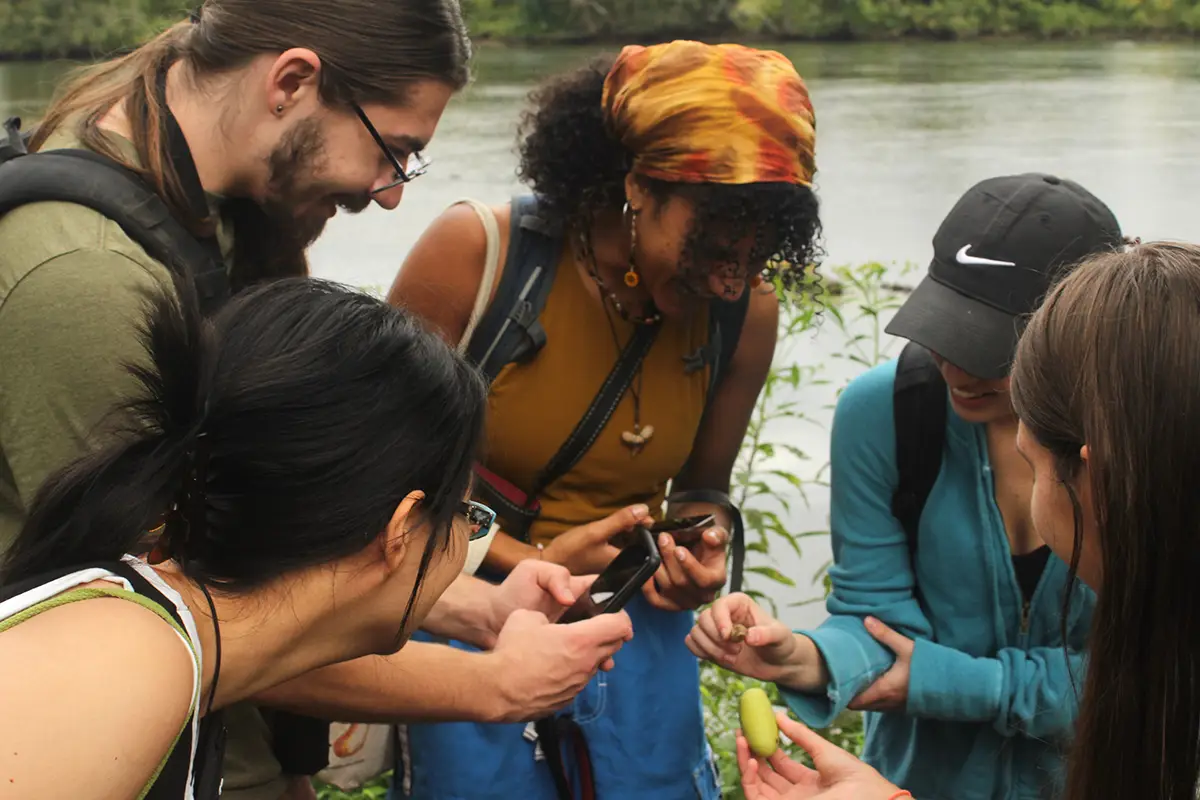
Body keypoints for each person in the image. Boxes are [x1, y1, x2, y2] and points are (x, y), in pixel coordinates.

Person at [0, 4, 636, 798]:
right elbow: (203, 609)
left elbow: (252, 549)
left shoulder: (212, 209)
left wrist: (476, 606)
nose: (392, 194)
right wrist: (493, 685)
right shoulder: (89, 278)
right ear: (292, 81)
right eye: (394, 151)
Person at [388, 40, 820, 799]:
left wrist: (699, 549)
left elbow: (702, 488)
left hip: (631, 627)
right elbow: (369, 482)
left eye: (763, 237)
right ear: (636, 186)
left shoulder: (743, 312)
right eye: (716, 229)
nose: (732, 270)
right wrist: (533, 559)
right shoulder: (480, 257)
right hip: (468, 608)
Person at [687, 174, 1126, 799]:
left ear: (1081, 334)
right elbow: (876, 623)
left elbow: (1149, 680)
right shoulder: (889, 413)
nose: (955, 365)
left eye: (989, 345)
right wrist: (802, 657)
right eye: (946, 327)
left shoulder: (1142, 439)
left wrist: (955, 683)